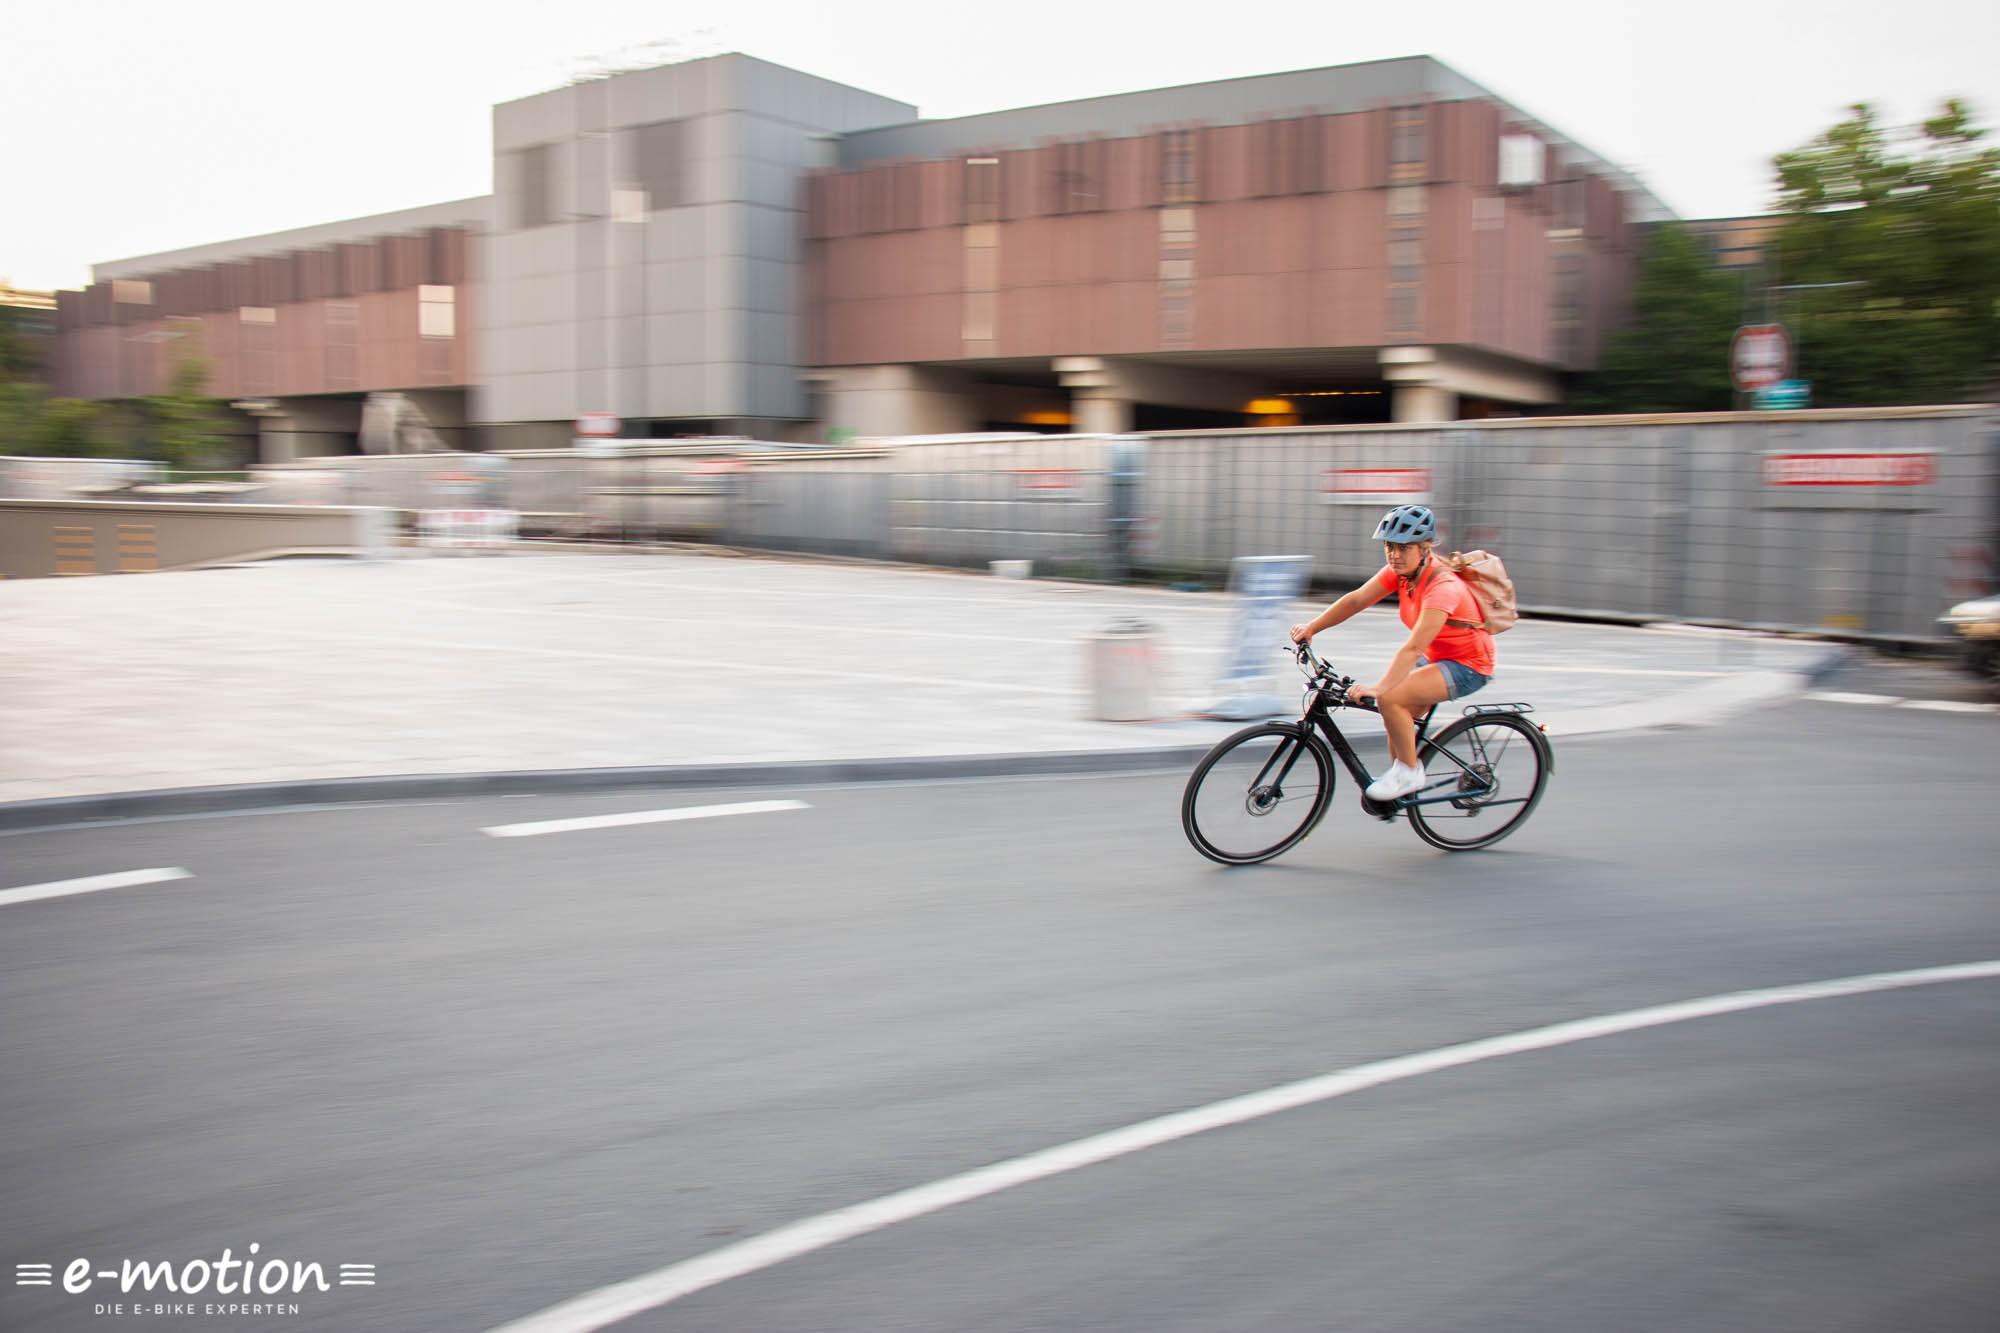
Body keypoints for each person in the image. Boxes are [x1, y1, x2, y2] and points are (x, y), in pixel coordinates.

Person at [1288, 504, 1495, 801]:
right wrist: (1312, 627)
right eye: (1389, 546)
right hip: (1438, 656)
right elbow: (1357, 600)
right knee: (1398, 716)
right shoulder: (1400, 574)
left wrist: (1379, 688)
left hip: (1468, 665)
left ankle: (1409, 773)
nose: (1394, 555)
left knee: (1390, 698)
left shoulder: (1443, 586)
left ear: (1425, 549)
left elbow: (1413, 648)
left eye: (1403, 548)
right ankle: (1402, 780)